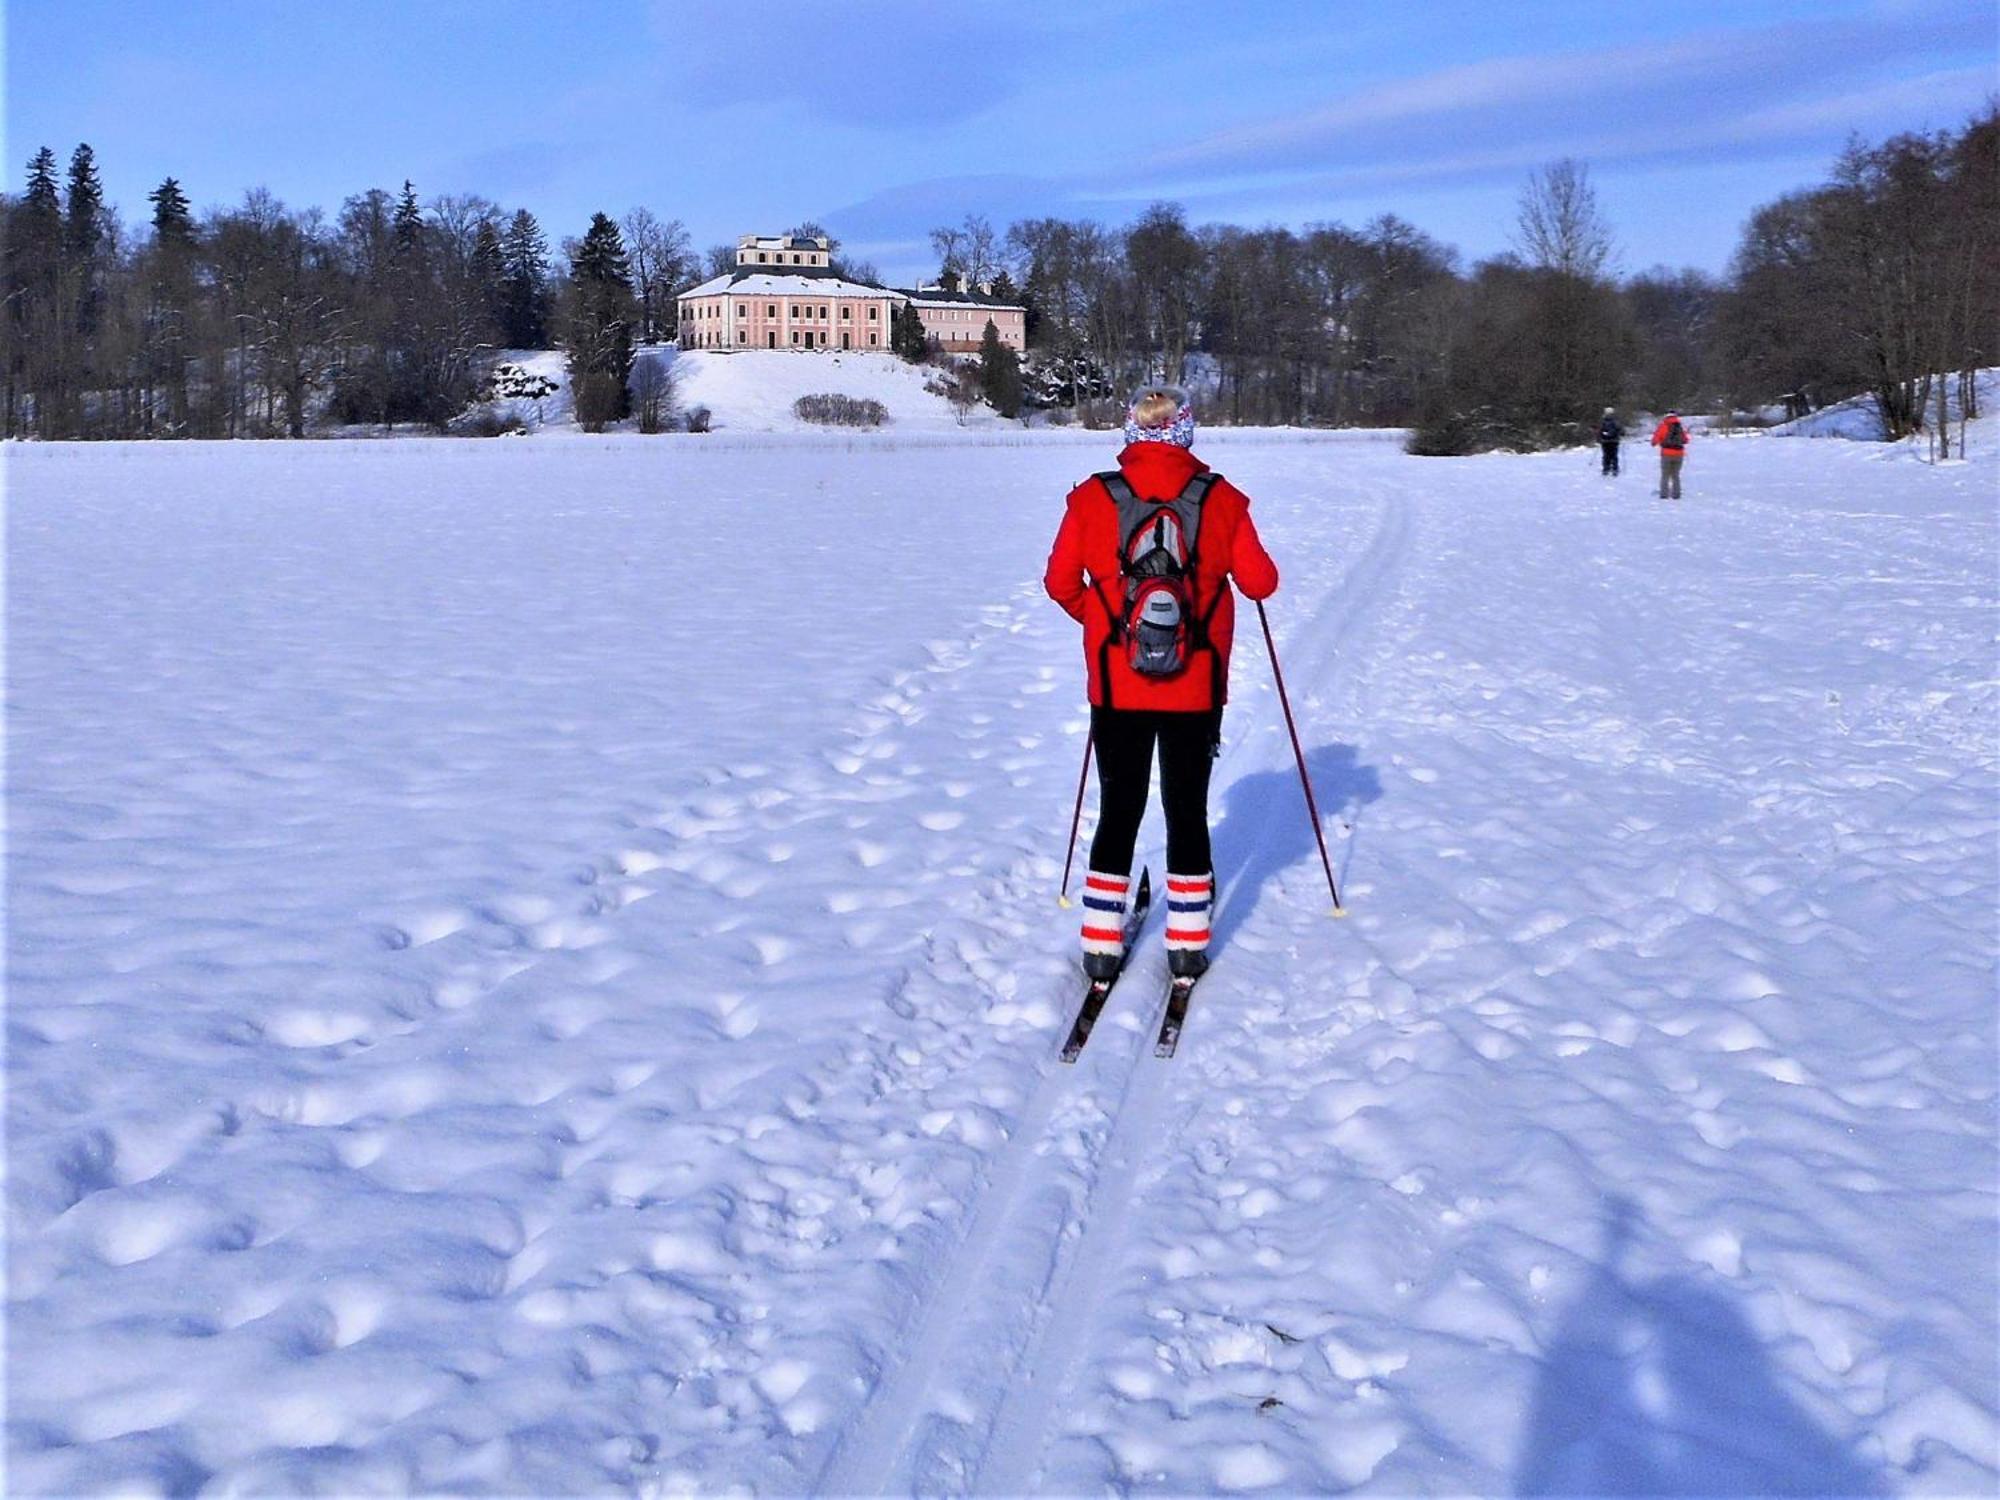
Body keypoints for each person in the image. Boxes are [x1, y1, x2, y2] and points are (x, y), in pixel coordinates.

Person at [1043, 388, 1279, 980]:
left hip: (1116, 687)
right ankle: (1188, 942)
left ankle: (1100, 943)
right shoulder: (1221, 499)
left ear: (1131, 432)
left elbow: (1059, 581)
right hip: (1194, 688)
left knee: (1118, 808)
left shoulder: (1093, 498)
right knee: (1187, 811)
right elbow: (1260, 582)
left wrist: (1108, 627)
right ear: (1187, 434)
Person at [1650, 410, 1689, 498]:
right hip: (1679, 454)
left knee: (1665, 475)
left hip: (1666, 453)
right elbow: (1686, 440)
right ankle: (1676, 494)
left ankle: (1664, 494)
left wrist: (1655, 443)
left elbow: (1655, 440)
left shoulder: (1663, 425)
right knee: (1676, 475)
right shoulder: (1680, 427)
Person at [1598, 407, 1622, 475]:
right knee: (1614, 455)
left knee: (1606, 455)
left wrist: (1600, 437)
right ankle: (1615, 468)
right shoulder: (1616, 420)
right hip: (1614, 441)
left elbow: (1600, 430)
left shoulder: (1603, 420)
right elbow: (1619, 429)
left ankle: (1606, 468)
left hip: (1605, 441)